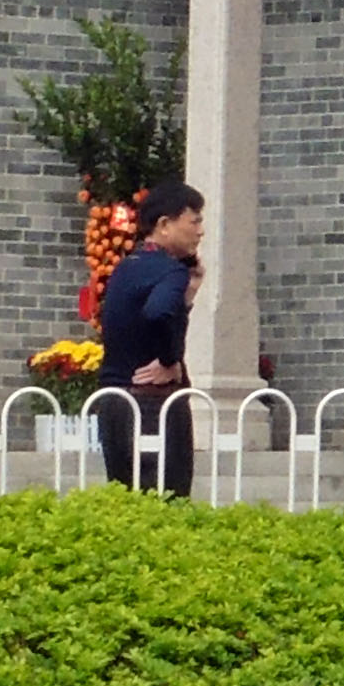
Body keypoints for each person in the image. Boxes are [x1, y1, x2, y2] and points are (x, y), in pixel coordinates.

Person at [94, 182, 203, 493]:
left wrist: (189, 294)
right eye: (194, 221)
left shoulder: (126, 267)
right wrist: (171, 362)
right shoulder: (171, 272)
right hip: (153, 405)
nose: (200, 231)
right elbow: (159, 312)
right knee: (168, 500)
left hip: (113, 402)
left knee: (125, 501)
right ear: (165, 225)